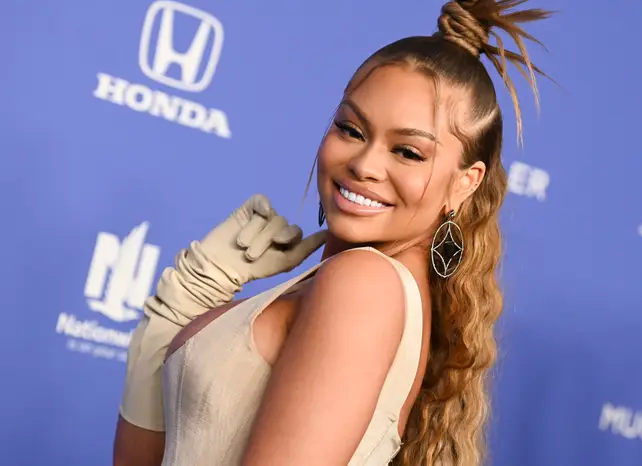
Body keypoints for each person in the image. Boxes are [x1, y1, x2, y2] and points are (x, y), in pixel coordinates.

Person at [113, 1, 551, 465]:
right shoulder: (359, 282)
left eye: (407, 152)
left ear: (465, 182)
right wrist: (181, 303)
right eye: (351, 129)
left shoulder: (365, 284)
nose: (364, 164)